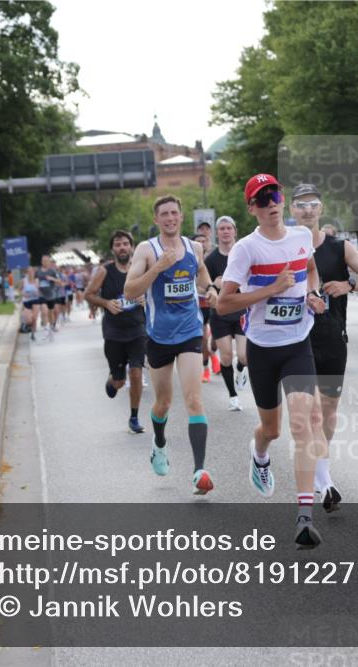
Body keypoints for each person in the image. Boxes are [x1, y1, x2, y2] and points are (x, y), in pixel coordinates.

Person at [216, 173, 328, 548]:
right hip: (263, 348)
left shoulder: (301, 236)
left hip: (298, 343)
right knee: (272, 430)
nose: (271, 205)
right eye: (262, 200)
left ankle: (304, 517)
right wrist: (271, 289)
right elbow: (224, 304)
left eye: (275, 196)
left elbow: (310, 269)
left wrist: (312, 294)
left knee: (302, 423)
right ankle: (259, 453)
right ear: (252, 209)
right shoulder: (246, 249)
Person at [289, 183, 358, 511]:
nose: (307, 210)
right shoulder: (284, 247)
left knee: (328, 413)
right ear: (292, 210)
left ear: (321, 209)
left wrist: (348, 285)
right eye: (301, 205)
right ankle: (326, 482)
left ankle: (320, 467)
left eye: (312, 204)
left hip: (332, 339)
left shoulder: (339, 247)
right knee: (313, 414)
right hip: (297, 342)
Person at [124, 195, 215, 496]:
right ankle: (159, 443)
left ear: (181, 216)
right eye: (164, 214)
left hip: (190, 332)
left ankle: (199, 471)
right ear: (157, 219)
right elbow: (130, 290)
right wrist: (157, 269)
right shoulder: (146, 249)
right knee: (163, 403)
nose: (170, 218)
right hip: (159, 336)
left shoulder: (194, 247)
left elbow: (201, 271)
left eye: (174, 213)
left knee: (194, 400)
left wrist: (210, 288)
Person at [85, 230, 148, 435]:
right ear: (113, 249)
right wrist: (105, 303)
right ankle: (114, 379)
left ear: (132, 247)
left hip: (137, 328)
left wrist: (145, 298)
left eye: (125, 244)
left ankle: (134, 417)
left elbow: (153, 290)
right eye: (118, 244)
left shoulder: (140, 269)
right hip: (114, 332)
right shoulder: (105, 271)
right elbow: (88, 294)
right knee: (120, 382)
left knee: (136, 372)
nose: (122, 248)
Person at [204, 216, 250, 411]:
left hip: (241, 310)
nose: (225, 231)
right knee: (225, 356)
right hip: (220, 313)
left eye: (229, 228)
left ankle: (240, 368)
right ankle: (233, 396)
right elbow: (204, 285)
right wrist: (213, 285)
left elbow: (252, 279)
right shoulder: (211, 259)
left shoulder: (243, 254)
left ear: (234, 231)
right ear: (217, 233)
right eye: (222, 228)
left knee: (244, 356)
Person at [193, 232, 221, 383]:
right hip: (199, 306)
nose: (201, 244)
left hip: (214, 303)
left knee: (216, 339)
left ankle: (214, 354)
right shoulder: (189, 261)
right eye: (198, 241)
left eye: (204, 241)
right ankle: (205, 368)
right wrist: (205, 287)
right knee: (203, 339)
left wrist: (214, 286)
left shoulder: (212, 260)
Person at [36, 255, 62, 332]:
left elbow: (59, 281)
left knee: (50, 312)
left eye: (46, 261)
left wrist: (52, 279)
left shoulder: (52, 271)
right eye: (43, 261)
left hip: (50, 295)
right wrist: (36, 287)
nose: (45, 262)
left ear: (49, 262)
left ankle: (52, 325)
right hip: (41, 294)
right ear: (41, 262)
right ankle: (46, 328)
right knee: (44, 311)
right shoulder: (38, 272)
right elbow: (35, 281)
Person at [21, 266, 42, 341]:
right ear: (27, 273)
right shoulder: (24, 280)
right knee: (29, 320)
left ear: (34, 273)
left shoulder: (37, 280)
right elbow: (19, 289)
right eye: (29, 272)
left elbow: (39, 291)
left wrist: (37, 293)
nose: (30, 273)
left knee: (34, 318)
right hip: (27, 301)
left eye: (32, 272)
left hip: (35, 300)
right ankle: (26, 324)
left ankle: (33, 334)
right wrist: (23, 294)